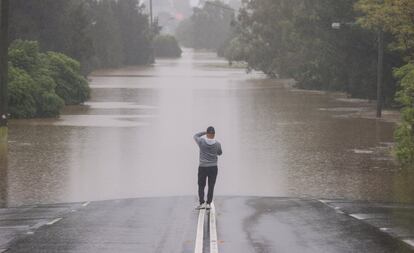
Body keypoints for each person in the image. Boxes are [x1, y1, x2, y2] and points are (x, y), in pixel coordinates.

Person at [193, 126, 223, 210]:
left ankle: (202, 203)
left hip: (203, 167)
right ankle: (209, 203)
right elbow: (220, 153)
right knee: (211, 185)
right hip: (213, 167)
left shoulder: (201, 141)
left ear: (207, 134)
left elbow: (195, 136)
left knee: (201, 185)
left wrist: (203, 132)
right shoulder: (217, 144)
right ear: (214, 134)